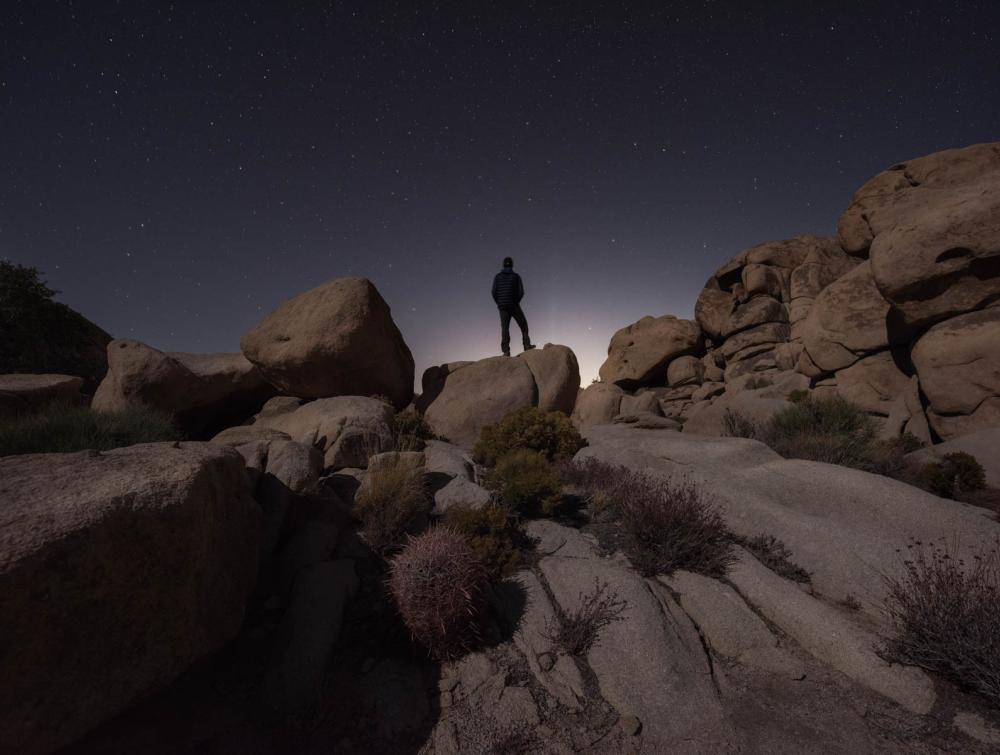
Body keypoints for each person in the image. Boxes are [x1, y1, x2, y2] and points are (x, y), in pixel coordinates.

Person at [491, 257, 535, 356]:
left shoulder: (497, 277)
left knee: (505, 329)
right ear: (512, 265)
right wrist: (515, 302)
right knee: (523, 325)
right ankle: (527, 345)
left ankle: (506, 351)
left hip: (502, 307)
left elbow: (493, 292)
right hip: (514, 305)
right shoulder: (516, 277)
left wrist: (499, 303)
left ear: (503, 265)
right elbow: (521, 292)